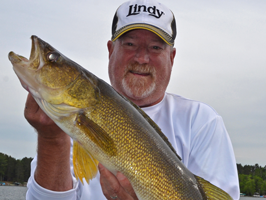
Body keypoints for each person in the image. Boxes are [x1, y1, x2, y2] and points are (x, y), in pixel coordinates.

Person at [26, 0, 240, 199]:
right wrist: (51, 140)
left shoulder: (201, 121)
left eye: (155, 47)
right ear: (111, 51)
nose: (141, 58)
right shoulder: (63, 123)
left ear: (172, 58)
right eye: (130, 44)